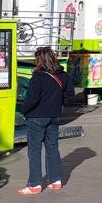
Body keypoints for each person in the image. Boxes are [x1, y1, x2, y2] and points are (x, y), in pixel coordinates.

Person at [18, 47, 74, 194]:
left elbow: (32, 100)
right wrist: (57, 103)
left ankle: (35, 184)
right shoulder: (64, 76)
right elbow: (69, 96)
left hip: (37, 117)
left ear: (39, 60)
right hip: (55, 116)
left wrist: (24, 111)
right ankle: (55, 180)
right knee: (52, 147)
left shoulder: (38, 77)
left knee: (34, 150)